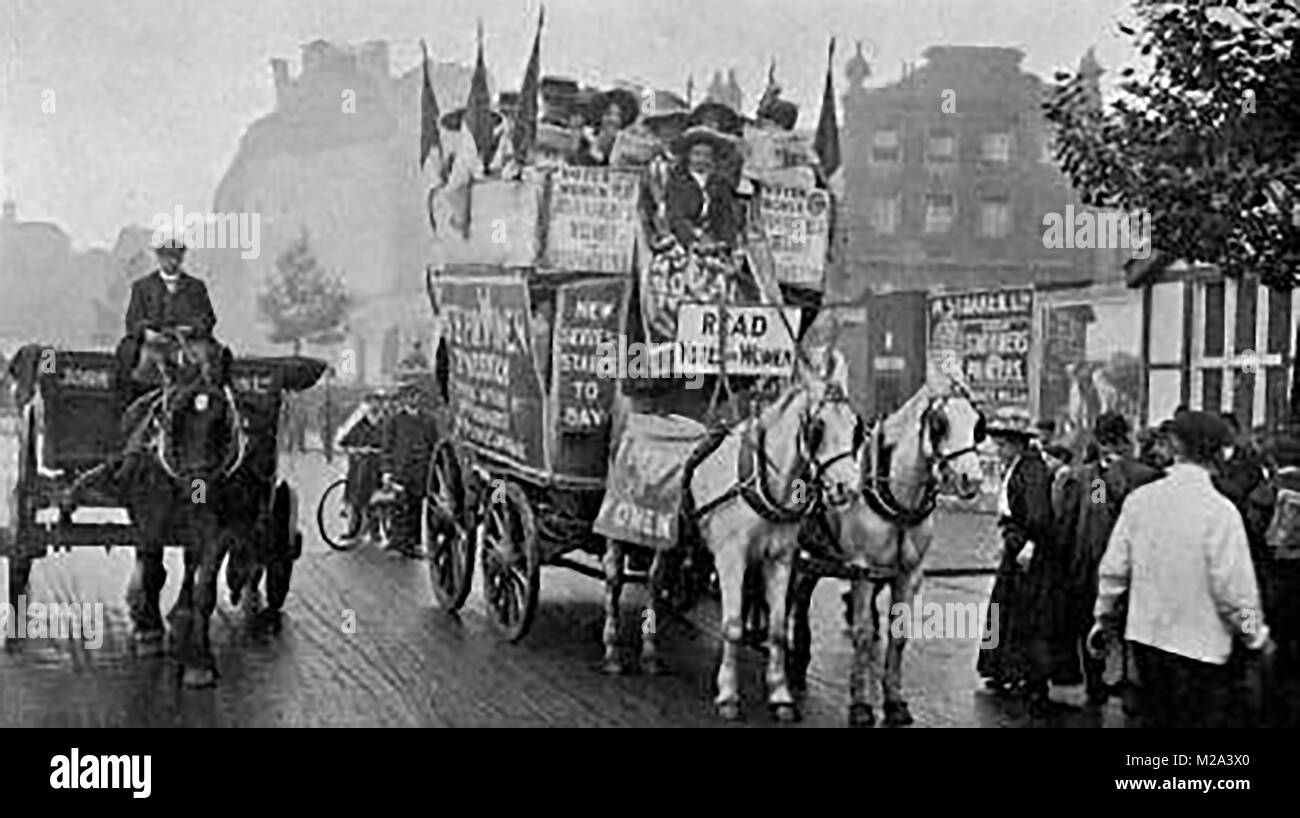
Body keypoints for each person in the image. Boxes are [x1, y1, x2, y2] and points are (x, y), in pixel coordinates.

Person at [1090, 411, 1273, 728]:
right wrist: (1255, 634)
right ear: (1219, 452)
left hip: (1146, 636)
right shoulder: (1221, 512)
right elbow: (1235, 591)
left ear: (1174, 446)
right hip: (1203, 645)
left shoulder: (1140, 501)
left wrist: (1102, 616)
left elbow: (1114, 570)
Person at [1056, 412, 1164, 705]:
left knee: (1090, 624)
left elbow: (1068, 524)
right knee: (1126, 627)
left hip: (1091, 565)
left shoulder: (1083, 476)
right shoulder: (1145, 476)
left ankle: (1099, 682)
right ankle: (1123, 684)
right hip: (1127, 567)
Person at [976, 421, 1071, 716]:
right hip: (1017, 544)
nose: (999, 450)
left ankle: (1028, 678)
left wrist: (1029, 542)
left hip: (1030, 550)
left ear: (1017, 445)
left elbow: (1038, 514)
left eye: (1003, 445)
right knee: (1008, 611)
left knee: (1027, 615)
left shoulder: (1031, 469)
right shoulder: (1021, 466)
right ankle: (1006, 670)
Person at [378, 384, 439, 558]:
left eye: (417, 396)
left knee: (416, 507)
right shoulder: (395, 420)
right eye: (411, 396)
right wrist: (387, 471)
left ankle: (415, 543)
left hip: (420, 471)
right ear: (405, 399)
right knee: (399, 507)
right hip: (400, 470)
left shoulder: (428, 420)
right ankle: (398, 543)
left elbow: (434, 446)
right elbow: (387, 447)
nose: (414, 399)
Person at [664, 124, 742, 251]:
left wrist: (724, 241)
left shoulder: (720, 183)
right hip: (684, 242)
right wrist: (695, 237)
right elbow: (676, 216)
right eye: (697, 154)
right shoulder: (677, 182)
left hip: (716, 242)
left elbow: (726, 216)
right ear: (688, 156)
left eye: (706, 155)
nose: (701, 160)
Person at [579, 87, 639, 166]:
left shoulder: (628, 143)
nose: (612, 119)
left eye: (618, 115)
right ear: (600, 115)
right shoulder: (587, 139)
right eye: (608, 113)